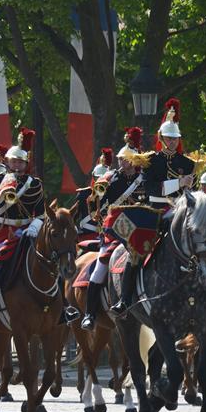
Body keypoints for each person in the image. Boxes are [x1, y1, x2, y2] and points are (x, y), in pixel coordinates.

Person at [0, 128, 68, 328]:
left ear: (26, 164)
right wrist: (0, 196)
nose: (16, 165)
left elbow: (41, 211)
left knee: (52, 264)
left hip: (29, 233)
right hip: (3, 235)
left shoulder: (34, 184)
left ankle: (64, 307)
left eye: (20, 162)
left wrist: (34, 226)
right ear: (7, 162)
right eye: (13, 162)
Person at [82, 127, 146, 327]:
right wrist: (98, 200)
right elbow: (92, 203)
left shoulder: (143, 180)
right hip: (115, 234)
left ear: (134, 160)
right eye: (120, 159)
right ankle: (90, 314)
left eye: (126, 159)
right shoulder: (110, 179)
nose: (121, 162)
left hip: (138, 233)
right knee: (99, 270)